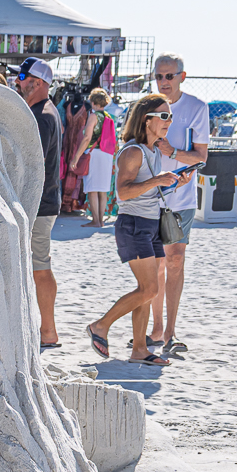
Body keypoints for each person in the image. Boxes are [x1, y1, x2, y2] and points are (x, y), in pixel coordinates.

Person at [86, 95, 184, 363]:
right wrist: (157, 180)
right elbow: (123, 193)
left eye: (170, 116)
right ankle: (100, 326)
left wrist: (173, 183)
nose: (169, 121)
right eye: (163, 116)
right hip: (133, 225)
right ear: (146, 119)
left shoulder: (154, 150)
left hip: (151, 224)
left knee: (147, 290)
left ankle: (139, 349)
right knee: (149, 289)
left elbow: (148, 191)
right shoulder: (133, 151)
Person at [147, 54, 211, 357]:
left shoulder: (197, 108)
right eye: (159, 76)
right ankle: (156, 328)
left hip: (181, 198)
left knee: (174, 261)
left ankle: (170, 331)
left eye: (169, 76)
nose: (163, 81)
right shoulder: (146, 107)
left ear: (182, 77)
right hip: (150, 196)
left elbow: (201, 156)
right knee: (154, 263)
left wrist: (173, 154)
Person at [15, 58, 62, 349]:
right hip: (41, 202)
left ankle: (48, 331)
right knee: (37, 266)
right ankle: (45, 329)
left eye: (22, 77)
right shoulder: (41, 111)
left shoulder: (42, 115)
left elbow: (34, 164)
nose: (17, 81)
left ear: (38, 82)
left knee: (40, 267)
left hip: (40, 204)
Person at [76, 87, 117, 226]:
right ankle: (101, 220)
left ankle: (95, 220)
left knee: (92, 188)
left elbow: (87, 138)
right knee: (102, 190)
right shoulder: (108, 116)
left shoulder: (93, 116)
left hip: (94, 154)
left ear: (93, 102)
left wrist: (76, 157)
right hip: (106, 155)